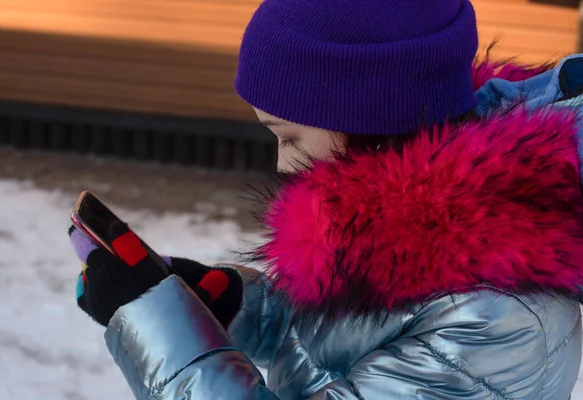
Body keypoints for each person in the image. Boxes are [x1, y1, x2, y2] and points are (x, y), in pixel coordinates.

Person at [69, 0, 583, 398]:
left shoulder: (493, 319)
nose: (280, 163)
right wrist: (229, 303)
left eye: (290, 137)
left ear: (374, 119)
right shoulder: (396, 232)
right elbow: (343, 340)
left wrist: (153, 324)